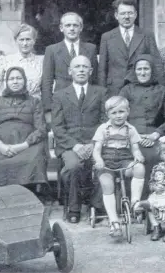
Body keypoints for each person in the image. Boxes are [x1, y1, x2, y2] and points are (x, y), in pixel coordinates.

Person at [51, 55, 108, 224]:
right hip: (70, 145)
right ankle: (73, 208)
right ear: (70, 71)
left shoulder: (101, 92)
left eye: (85, 67)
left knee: (101, 165)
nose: (81, 70)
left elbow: (105, 121)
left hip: (95, 143)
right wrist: (75, 146)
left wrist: (93, 144)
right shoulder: (60, 95)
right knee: (73, 166)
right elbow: (57, 127)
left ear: (91, 71)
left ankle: (97, 207)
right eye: (77, 67)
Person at [0, 66, 48, 190]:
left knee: (36, 155)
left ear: (24, 81)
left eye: (19, 78)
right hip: (0, 146)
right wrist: (0, 145)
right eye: (11, 79)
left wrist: (23, 146)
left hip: (27, 145)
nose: (15, 81)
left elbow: (41, 129)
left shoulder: (34, 102)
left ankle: (30, 194)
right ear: (6, 82)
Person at [119, 54, 165, 198]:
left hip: (153, 135)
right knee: (138, 158)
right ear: (134, 71)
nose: (143, 73)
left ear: (152, 70)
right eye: (139, 69)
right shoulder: (126, 90)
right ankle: (136, 203)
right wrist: (135, 135)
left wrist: (156, 134)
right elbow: (119, 116)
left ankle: (154, 201)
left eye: (146, 69)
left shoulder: (162, 91)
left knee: (156, 156)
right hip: (129, 135)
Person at [92, 96, 145, 237]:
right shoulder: (103, 129)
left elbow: (135, 148)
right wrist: (99, 160)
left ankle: (135, 202)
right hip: (107, 163)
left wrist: (138, 155)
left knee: (139, 168)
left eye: (121, 111)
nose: (118, 116)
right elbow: (96, 150)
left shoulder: (131, 129)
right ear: (108, 114)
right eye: (114, 113)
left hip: (124, 162)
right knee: (106, 183)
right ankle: (114, 221)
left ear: (128, 111)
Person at [98, 0, 165, 96]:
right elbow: (102, 69)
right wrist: (102, 94)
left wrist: (162, 90)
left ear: (136, 14)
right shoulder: (107, 37)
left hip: (140, 89)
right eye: (123, 13)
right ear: (116, 15)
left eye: (130, 13)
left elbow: (157, 64)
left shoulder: (147, 35)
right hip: (114, 90)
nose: (126, 17)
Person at [42, 12, 99, 124]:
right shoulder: (52, 50)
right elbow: (46, 81)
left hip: (85, 101)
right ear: (61, 28)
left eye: (75, 25)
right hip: (61, 102)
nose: (72, 29)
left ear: (81, 28)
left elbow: (95, 78)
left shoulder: (91, 49)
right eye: (68, 25)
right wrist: (48, 110)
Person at [0, 24, 44, 117]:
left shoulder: (42, 61)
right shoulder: (6, 61)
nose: (25, 43)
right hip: (10, 108)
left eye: (28, 39)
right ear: (16, 41)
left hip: (33, 109)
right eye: (21, 40)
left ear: (34, 41)